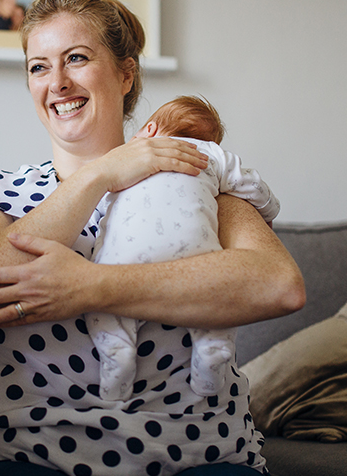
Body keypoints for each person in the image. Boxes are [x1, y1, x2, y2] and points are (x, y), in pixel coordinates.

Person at [0, 0, 305, 476]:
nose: (58, 82)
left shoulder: (191, 174)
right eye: (38, 67)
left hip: (201, 461)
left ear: (126, 74)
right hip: (28, 460)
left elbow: (278, 286)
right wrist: (101, 173)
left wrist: (91, 287)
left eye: (77, 59)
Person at [87, 95, 280, 402]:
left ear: (148, 129)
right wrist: (267, 213)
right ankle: (212, 349)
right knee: (215, 295)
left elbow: (96, 202)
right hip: (193, 252)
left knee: (101, 304)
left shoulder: (124, 159)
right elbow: (253, 186)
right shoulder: (211, 155)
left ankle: (117, 356)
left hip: (124, 255)